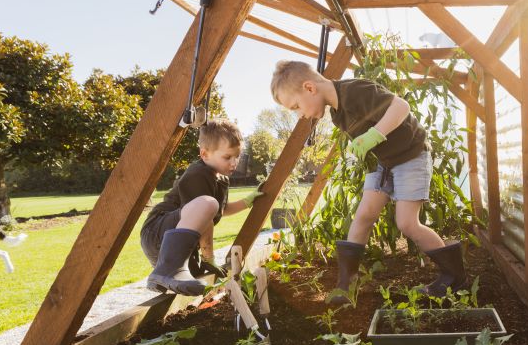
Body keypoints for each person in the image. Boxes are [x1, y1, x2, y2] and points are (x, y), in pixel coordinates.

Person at [270, 60, 467, 305]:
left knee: (407, 222)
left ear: (310, 88)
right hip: (385, 163)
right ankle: (347, 285)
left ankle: (454, 277)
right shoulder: (337, 114)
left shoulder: (354, 91)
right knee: (364, 216)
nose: (300, 115)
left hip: (411, 155)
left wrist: (373, 135)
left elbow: (401, 107)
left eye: (296, 107)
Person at [140, 118, 261, 295]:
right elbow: (206, 214)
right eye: (227, 157)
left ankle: (164, 275)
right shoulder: (199, 173)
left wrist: (248, 201)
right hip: (158, 232)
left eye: (237, 156)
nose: (234, 162)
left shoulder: (220, 178)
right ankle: (167, 269)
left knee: (195, 281)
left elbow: (221, 210)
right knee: (208, 204)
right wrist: (208, 257)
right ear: (205, 154)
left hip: (174, 240)